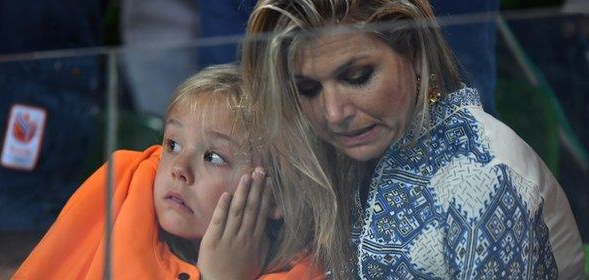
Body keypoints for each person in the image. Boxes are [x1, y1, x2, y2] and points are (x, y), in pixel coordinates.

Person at [241, 0, 585, 279]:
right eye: (308, 89)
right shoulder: (344, 152)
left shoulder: (482, 178)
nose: (333, 113)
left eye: (357, 77)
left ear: (415, 57)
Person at [12, 64, 325, 279]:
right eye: (173, 145)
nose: (179, 169)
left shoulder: (307, 272)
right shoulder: (125, 196)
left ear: (277, 197)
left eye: (213, 157)